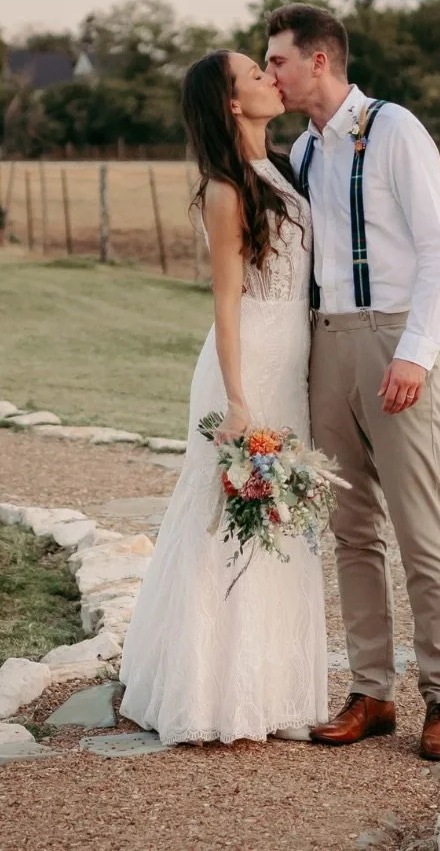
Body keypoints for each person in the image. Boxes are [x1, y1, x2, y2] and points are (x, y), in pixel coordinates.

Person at [264, 3, 440, 762]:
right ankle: (371, 691)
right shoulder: (305, 150)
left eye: (278, 60)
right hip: (327, 343)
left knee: (420, 527)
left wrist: (416, 352)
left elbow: (439, 249)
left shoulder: (395, 129)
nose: (271, 75)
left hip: (392, 339)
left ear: (318, 61)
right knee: (351, 529)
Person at [118, 50, 328, 746]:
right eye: (255, 75)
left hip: (291, 364)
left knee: (283, 519)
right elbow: (227, 301)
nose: (271, 78)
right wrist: (237, 400)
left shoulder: (284, 167)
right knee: (227, 520)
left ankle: (274, 689)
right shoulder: (224, 189)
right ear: (233, 103)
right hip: (247, 365)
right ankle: (209, 691)